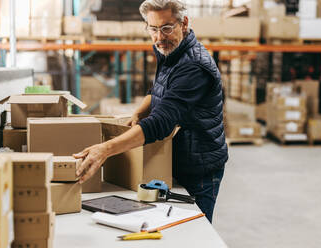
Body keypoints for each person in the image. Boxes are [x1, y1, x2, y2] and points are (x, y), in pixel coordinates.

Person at [74, 0, 228, 223]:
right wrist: (138, 112)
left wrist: (105, 150)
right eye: (153, 29)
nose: (159, 37)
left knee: (192, 232)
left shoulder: (194, 66)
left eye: (166, 28)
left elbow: (161, 123)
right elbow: (158, 88)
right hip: (176, 158)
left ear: (184, 23)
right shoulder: (170, 49)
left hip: (199, 168)